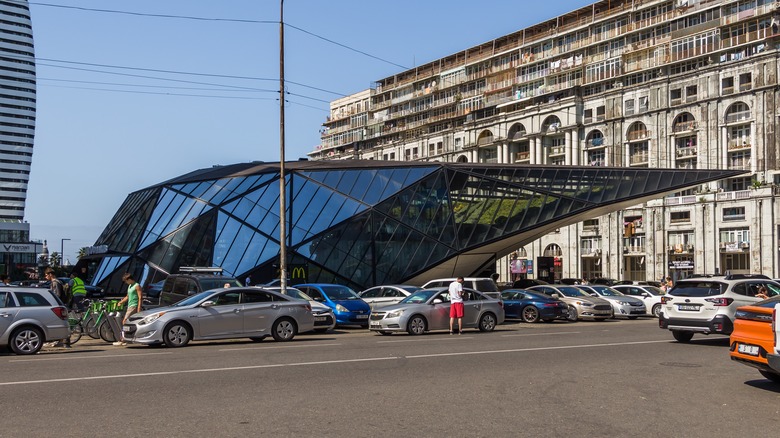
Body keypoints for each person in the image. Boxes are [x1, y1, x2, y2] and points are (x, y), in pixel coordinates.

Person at [114, 272, 143, 346]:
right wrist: (121, 302)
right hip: (130, 305)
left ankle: (123, 339)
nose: (126, 283)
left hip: (134, 305)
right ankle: (128, 338)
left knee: (124, 321)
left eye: (126, 281)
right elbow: (127, 296)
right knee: (131, 322)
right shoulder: (130, 286)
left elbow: (140, 297)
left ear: (129, 279)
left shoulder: (137, 286)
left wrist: (139, 308)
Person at [44, 269, 69, 348]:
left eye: (46, 275)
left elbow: (57, 294)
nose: (45, 277)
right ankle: (61, 341)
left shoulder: (55, 282)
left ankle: (65, 342)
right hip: (60, 305)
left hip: (57, 306)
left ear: (50, 274)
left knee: (59, 323)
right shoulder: (58, 282)